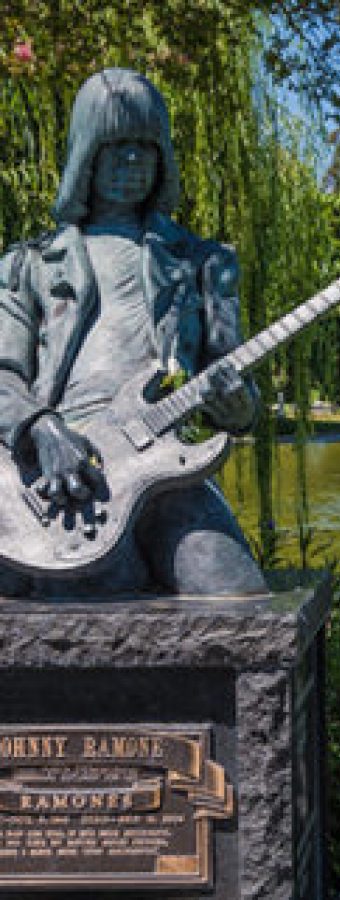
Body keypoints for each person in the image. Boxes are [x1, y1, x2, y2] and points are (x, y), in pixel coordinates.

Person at [0, 68, 267, 597]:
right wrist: (43, 430)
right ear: (86, 153)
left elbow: (239, 400)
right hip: (63, 475)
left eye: (144, 148)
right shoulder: (26, 265)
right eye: (115, 146)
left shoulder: (204, 263)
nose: (131, 163)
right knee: (88, 595)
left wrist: (233, 401)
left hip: (169, 469)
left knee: (236, 595)